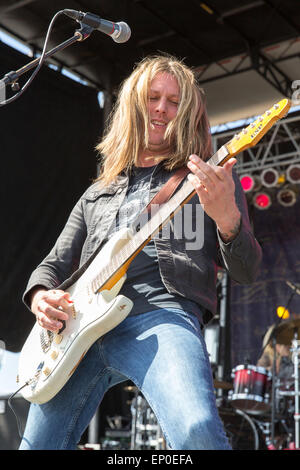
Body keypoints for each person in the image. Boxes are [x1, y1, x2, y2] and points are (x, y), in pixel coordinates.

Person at [19, 54, 262, 450]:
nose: (162, 108)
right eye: (153, 97)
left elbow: (248, 270)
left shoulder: (209, 178)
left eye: (173, 101)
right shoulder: (97, 193)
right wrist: (40, 297)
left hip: (163, 316)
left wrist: (228, 220)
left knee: (196, 430)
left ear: (186, 113)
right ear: (133, 105)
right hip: (77, 336)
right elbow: (53, 265)